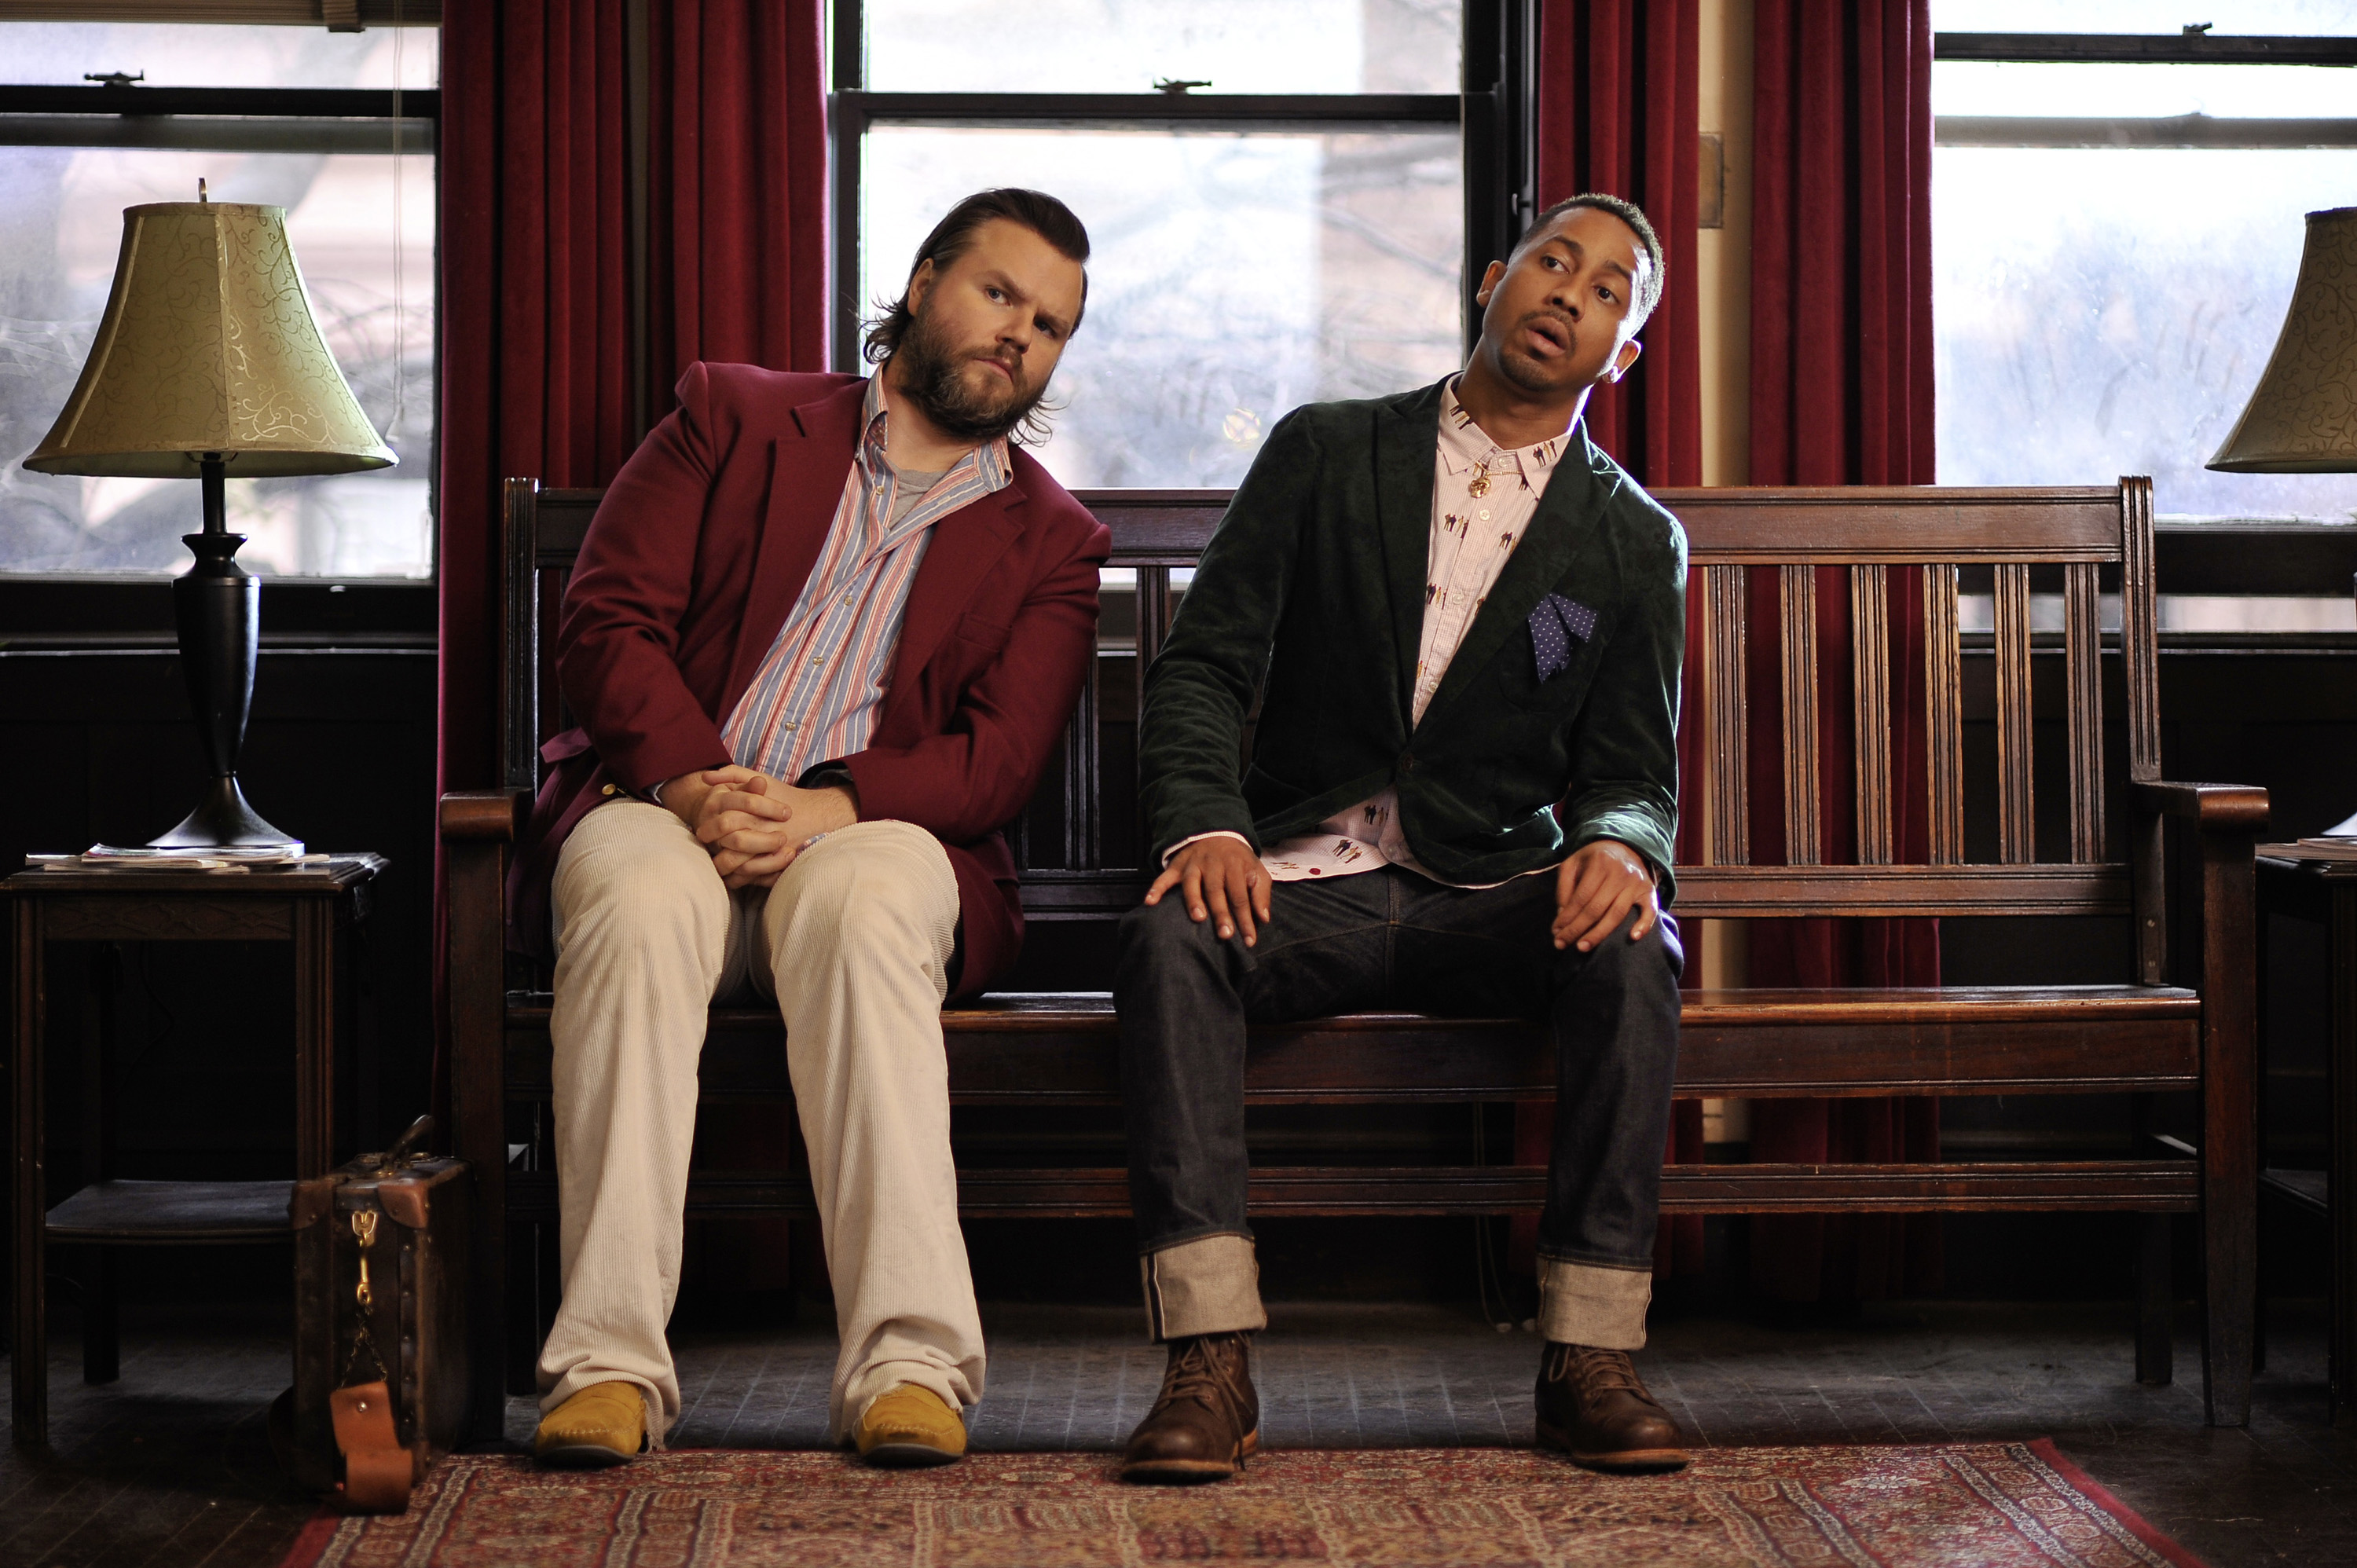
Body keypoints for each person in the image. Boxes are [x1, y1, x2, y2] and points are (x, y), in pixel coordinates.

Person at [507, 189, 1108, 1470]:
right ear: (925, 281)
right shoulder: (730, 417)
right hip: (666, 805)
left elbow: (997, 762)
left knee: (863, 904)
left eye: (1051, 324)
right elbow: (608, 621)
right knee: (635, 898)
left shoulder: (1054, 540)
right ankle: (605, 1365)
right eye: (999, 293)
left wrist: (826, 808)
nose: (1020, 334)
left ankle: (911, 1366)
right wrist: (695, 786)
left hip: (868, 835)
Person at [1116, 192, 1688, 1483]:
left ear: (1623, 354)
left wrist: (1619, 843)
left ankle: (1590, 1360)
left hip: (1489, 886)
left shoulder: (1632, 539)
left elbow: (1630, 771)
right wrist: (1206, 823)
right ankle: (1208, 1362)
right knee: (1167, 939)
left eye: (1607, 291)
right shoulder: (1326, 451)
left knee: (1635, 945)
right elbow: (1204, 668)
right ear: (1492, 279)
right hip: (1295, 877)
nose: (1570, 293)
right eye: (1553, 262)